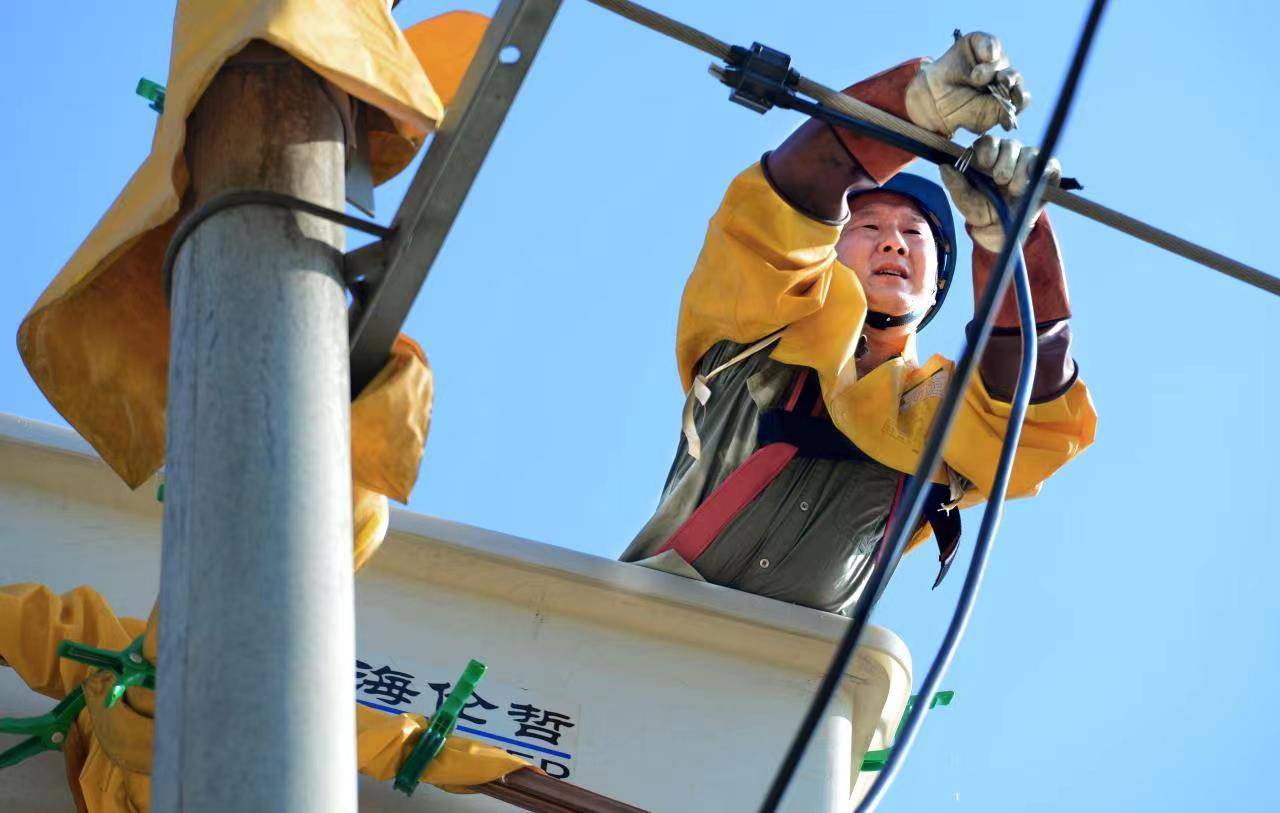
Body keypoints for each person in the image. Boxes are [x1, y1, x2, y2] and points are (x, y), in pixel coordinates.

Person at [621, 32, 1097, 614]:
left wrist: (1015, 242)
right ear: (828, 245)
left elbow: (1031, 412)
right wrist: (912, 103)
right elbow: (781, 213)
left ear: (934, 286)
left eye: (914, 234)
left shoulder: (940, 420)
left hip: (788, 676)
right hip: (642, 628)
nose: (893, 241)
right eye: (867, 227)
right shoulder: (757, 331)